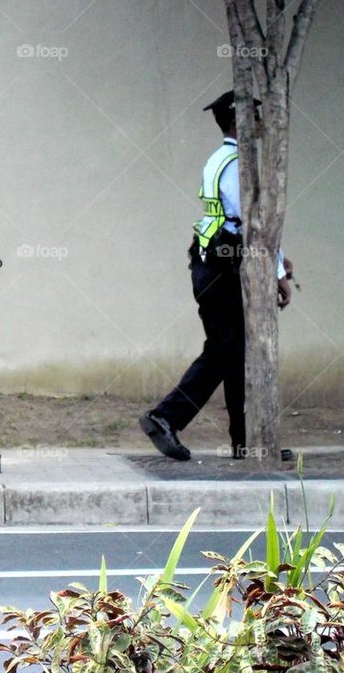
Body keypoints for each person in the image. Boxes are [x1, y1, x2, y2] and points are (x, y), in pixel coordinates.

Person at [138, 90, 294, 462]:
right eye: (255, 116)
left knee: (234, 354)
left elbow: (245, 223)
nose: (260, 122)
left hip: (214, 265)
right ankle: (164, 417)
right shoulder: (239, 166)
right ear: (237, 121)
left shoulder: (220, 159)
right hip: (221, 270)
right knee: (225, 353)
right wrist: (277, 273)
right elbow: (256, 226)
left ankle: (248, 441)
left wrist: (278, 262)